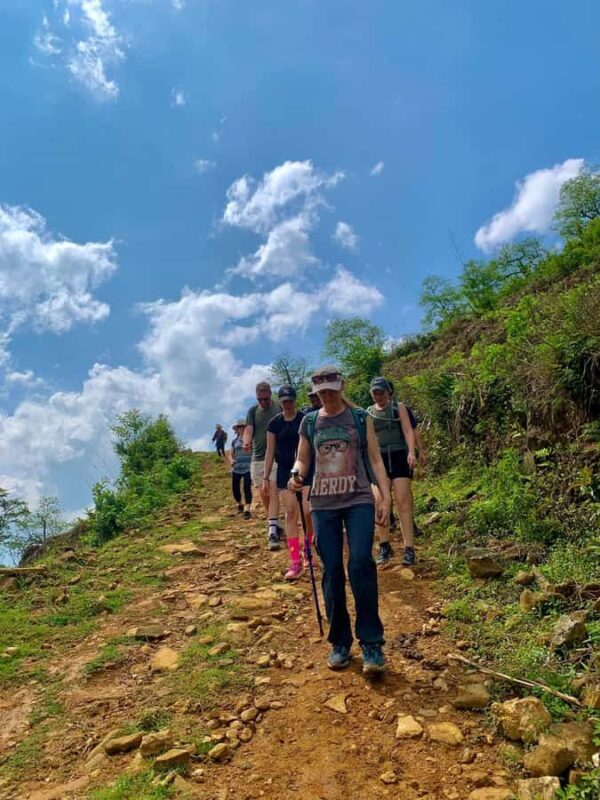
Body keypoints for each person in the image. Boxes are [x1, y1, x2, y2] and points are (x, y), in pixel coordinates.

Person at [289, 366, 391, 675]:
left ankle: (371, 643)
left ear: (341, 386)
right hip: (322, 503)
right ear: (315, 393)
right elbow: (303, 458)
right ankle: (341, 641)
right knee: (331, 570)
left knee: (360, 562)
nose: (328, 396)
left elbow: (374, 459)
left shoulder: (360, 418)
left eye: (332, 390)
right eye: (322, 393)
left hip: (358, 497)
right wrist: (296, 475)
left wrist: (384, 496)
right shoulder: (309, 422)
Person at [366, 377, 418, 568]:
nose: (378, 396)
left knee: (403, 502)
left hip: (398, 456)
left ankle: (409, 548)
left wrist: (412, 452)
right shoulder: (368, 413)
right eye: (375, 393)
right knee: (379, 502)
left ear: (388, 392)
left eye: (381, 392)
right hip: (378, 459)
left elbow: (407, 429)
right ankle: (385, 544)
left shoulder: (398, 407)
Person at [263, 386, 312, 579]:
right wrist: (266, 477)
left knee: (307, 512)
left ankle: (307, 548)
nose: (287, 404)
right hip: (284, 471)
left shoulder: (304, 419)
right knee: (291, 513)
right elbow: (269, 450)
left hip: (305, 470)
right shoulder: (274, 423)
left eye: (290, 400)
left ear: (294, 400)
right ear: (280, 402)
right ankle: (295, 561)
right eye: (284, 401)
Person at [243, 381, 281, 549]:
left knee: (273, 491)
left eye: (266, 399)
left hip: (276, 457)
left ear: (270, 394)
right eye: (260, 399)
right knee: (263, 493)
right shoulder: (252, 411)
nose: (264, 402)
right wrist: (246, 441)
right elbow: (249, 429)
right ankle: (275, 522)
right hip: (257, 457)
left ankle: (272, 530)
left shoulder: (279, 406)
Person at [229, 420, 252, 520]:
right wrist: (231, 460)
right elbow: (231, 453)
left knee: (247, 487)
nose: (241, 429)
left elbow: (256, 451)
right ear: (237, 429)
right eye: (239, 427)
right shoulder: (234, 441)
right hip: (236, 468)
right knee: (235, 488)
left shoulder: (251, 440)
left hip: (248, 467)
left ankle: (247, 510)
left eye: (243, 427)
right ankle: (240, 504)